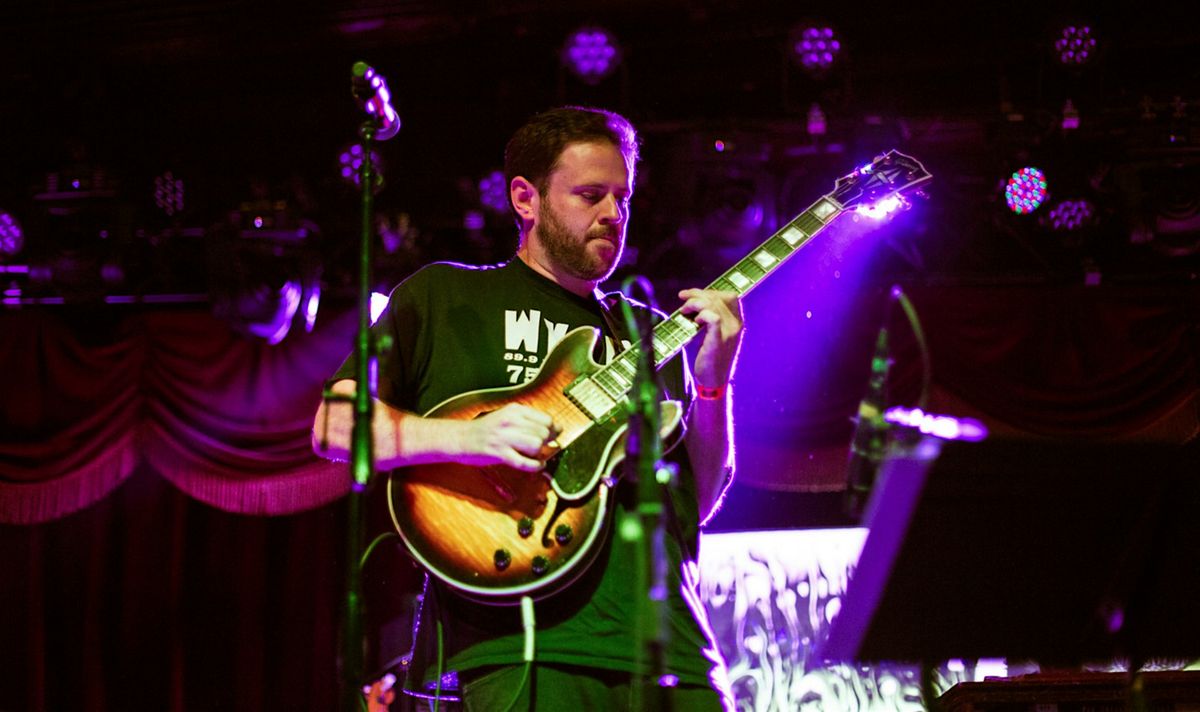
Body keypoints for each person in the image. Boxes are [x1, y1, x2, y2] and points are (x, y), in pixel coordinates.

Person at [313, 105, 743, 710]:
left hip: (676, 646)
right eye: (590, 194)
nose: (612, 215)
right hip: (522, 647)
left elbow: (696, 502)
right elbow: (334, 423)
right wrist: (469, 439)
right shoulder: (446, 295)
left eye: (623, 198)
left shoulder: (648, 331)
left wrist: (713, 386)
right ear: (525, 198)